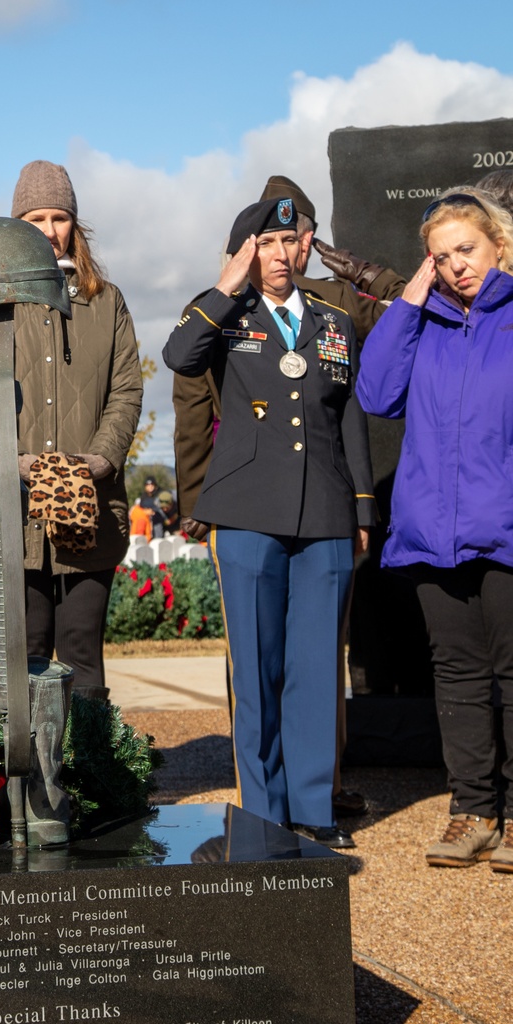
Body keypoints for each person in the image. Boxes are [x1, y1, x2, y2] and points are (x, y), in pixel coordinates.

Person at [172, 175, 405, 819]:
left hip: (327, 512)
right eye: (265, 242)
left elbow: (350, 416)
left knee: (316, 668)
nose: (279, 253)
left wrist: (362, 505)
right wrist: (226, 283)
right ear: (249, 250)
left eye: (288, 240)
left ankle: (312, 808)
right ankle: (265, 812)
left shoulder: (333, 322)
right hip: (247, 511)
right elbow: (179, 356)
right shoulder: (227, 315)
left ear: (305, 246)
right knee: (257, 669)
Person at [358, 187, 513, 872]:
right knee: (456, 673)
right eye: (440, 257)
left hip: (505, 529)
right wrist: (411, 298)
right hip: (432, 531)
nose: (456, 266)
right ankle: (472, 810)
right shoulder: (423, 325)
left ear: (498, 245)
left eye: (466, 250)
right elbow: (376, 394)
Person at [0, 160, 142, 699]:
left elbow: (126, 390)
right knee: (24, 661)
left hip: (90, 506)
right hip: (16, 507)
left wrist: (97, 462)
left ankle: (89, 779)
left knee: (82, 662)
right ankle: (30, 783)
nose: (50, 230)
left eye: (60, 217)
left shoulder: (106, 301)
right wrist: (13, 459)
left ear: (75, 224)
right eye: (36, 217)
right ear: (17, 224)